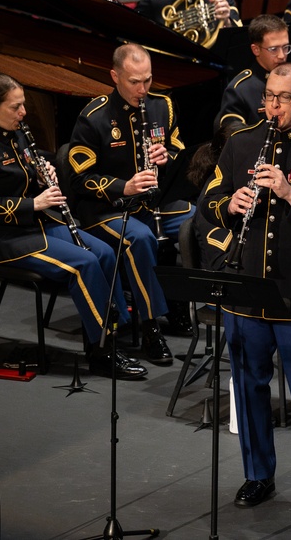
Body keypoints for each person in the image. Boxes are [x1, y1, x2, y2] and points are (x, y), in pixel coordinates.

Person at [196, 62, 291, 510]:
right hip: (246, 289)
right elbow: (208, 197)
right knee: (248, 385)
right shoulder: (241, 143)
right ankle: (257, 474)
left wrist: (289, 194)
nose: (274, 105)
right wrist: (229, 203)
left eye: (283, 98)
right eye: (268, 96)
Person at [0, 74, 145, 379]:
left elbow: (30, 164)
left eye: (23, 106)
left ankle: (102, 335)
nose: (23, 113)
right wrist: (35, 203)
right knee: (83, 263)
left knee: (104, 252)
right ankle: (103, 353)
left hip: (36, 226)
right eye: (16, 107)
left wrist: (44, 169)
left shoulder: (16, 134)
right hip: (3, 239)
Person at [68, 43, 195, 366]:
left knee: (196, 220)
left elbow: (179, 143)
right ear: (115, 77)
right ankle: (151, 327)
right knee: (139, 238)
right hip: (105, 209)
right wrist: (123, 185)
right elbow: (79, 179)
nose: (142, 89)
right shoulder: (93, 117)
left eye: (148, 80)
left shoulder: (162, 106)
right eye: (134, 82)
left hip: (152, 202)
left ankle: (180, 302)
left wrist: (168, 156)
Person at [217, 14, 291, 130]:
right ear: (256, 50)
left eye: (285, 47)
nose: (282, 55)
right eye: (274, 49)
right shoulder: (239, 90)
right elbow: (233, 137)